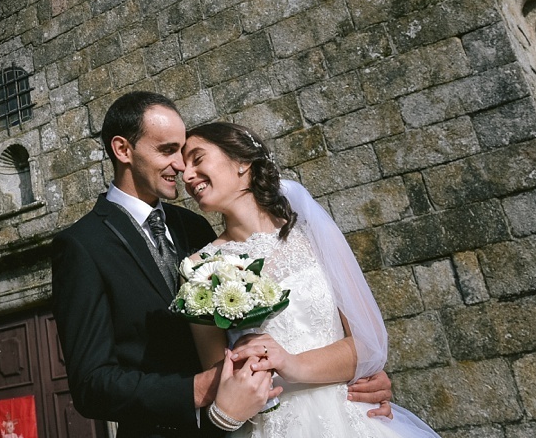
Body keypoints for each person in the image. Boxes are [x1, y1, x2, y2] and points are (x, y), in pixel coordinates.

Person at [50, 92, 392, 438]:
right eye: (168, 150)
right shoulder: (82, 245)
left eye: (187, 154)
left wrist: (357, 370)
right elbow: (91, 384)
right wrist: (200, 388)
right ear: (123, 150)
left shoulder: (194, 226)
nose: (182, 168)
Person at [181, 121, 440, 438]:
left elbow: (367, 342)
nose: (187, 176)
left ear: (242, 162)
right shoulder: (201, 268)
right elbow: (217, 378)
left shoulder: (312, 234)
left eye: (197, 159)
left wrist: (292, 363)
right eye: (183, 168)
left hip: (346, 415)